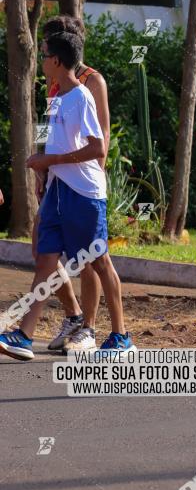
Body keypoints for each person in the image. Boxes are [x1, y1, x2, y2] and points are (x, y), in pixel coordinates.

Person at [0, 30, 135, 360]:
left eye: (44, 54)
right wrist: (43, 168)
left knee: (98, 262)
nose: (41, 59)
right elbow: (53, 134)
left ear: (57, 60)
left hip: (84, 193)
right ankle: (24, 336)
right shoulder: (57, 92)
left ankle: (120, 337)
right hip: (58, 189)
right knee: (45, 259)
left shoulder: (83, 94)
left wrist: (51, 161)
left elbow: (98, 146)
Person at [34, 15, 110, 353]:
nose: (43, 53)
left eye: (48, 45)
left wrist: (88, 183)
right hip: (55, 178)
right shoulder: (53, 84)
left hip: (81, 183)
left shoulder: (91, 82)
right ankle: (74, 314)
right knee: (42, 248)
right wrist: (42, 169)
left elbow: (101, 138)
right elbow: (47, 127)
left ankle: (90, 329)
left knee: (88, 257)